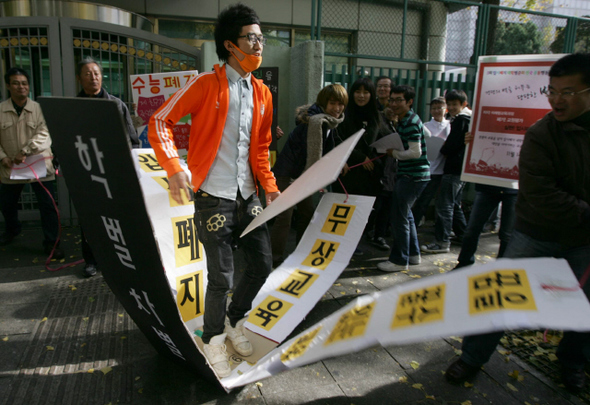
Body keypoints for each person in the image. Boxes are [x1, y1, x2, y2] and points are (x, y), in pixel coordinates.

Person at [445, 53, 590, 393]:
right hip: (537, 232)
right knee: (500, 296)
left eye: (567, 92)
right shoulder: (541, 133)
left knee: (585, 308)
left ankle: (572, 364)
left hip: (583, 239)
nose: (556, 99)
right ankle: (472, 357)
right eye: (551, 90)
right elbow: (541, 193)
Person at [148, 3, 279, 378]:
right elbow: (160, 121)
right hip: (213, 197)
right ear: (230, 44)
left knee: (262, 264)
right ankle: (212, 339)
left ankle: (235, 321)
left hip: (249, 196)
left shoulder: (263, 93)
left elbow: (260, 148)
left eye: (261, 38)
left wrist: (269, 187)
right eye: (251, 38)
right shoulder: (206, 84)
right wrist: (175, 168)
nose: (258, 45)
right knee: (221, 276)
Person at [76, 57, 139, 277]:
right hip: (87, 171)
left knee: (117, 218)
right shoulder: (73, 107)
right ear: (79, 78)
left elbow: (132, 139)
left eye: (96, 73)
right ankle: (91, 260)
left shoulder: (116, 105)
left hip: (113, 171)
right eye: (87, 73)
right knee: (89, 219)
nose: (93, 77)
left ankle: (120, 259)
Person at [271, 84, 347, 266]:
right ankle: (274, 259)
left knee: (306, 212)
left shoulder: (326, 121)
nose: (337, 108)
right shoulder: (315, 123)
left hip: (301, 175)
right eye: (333, 103)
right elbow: (311, 156)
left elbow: (329, 148)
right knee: (284, 217)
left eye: (341, 104)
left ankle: (301, 252)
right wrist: (315, 178)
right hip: (288, 175)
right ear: (323, 102)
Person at [0, 67, 64, 259]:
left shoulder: (39, 109)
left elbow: (45, 134)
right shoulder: (1, 110)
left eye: (24, 83)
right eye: (16, 83)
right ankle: (12, 230)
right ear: (8, 86)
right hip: (10, 167)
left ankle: (52, 243)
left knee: (48, 206)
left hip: (39, 166)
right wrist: (2, 156)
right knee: (7, 204)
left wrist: (25, 151)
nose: (21, 87)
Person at [377, 85, 430, 272]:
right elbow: (427, 135)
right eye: (392, 100)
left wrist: (394, 152)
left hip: (412, 176)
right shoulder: (412, 118)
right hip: (416, 176)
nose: (394, 104)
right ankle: (413, 255)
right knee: (406, 215)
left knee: (398, 217)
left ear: (409, 101)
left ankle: (399, 260)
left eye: (399, 100)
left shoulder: (409, 122)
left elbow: (416, 152)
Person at [454, 133, 517, 269]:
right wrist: (472, 145)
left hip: (513, 187)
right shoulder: (485, 124)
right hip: (488, 185)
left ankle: (502, 269)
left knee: (507, 234)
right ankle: (464, 264)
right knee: (472, 229)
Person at [421, 90, 470, 254]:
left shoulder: (460, 121)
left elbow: (451, 145)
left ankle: (442, 242)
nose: (451, 107)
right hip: (459, 169)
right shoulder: (465, 120)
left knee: (444, 206)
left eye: (454, 104)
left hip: (453, 169)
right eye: (449, 104)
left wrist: (442, 148)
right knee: (454, 205)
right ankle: (464, 235)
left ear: (463, 104)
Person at [412, 97, 450, 227]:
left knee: (446, 203)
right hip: (430, 170)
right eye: (433, 108)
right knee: (423, 201)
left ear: (446, 109)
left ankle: (445, 229)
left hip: (445, 170)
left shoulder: (450, 126)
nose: (437, 111)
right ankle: (414, 225)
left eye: (440, 107)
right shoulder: (425, 126)